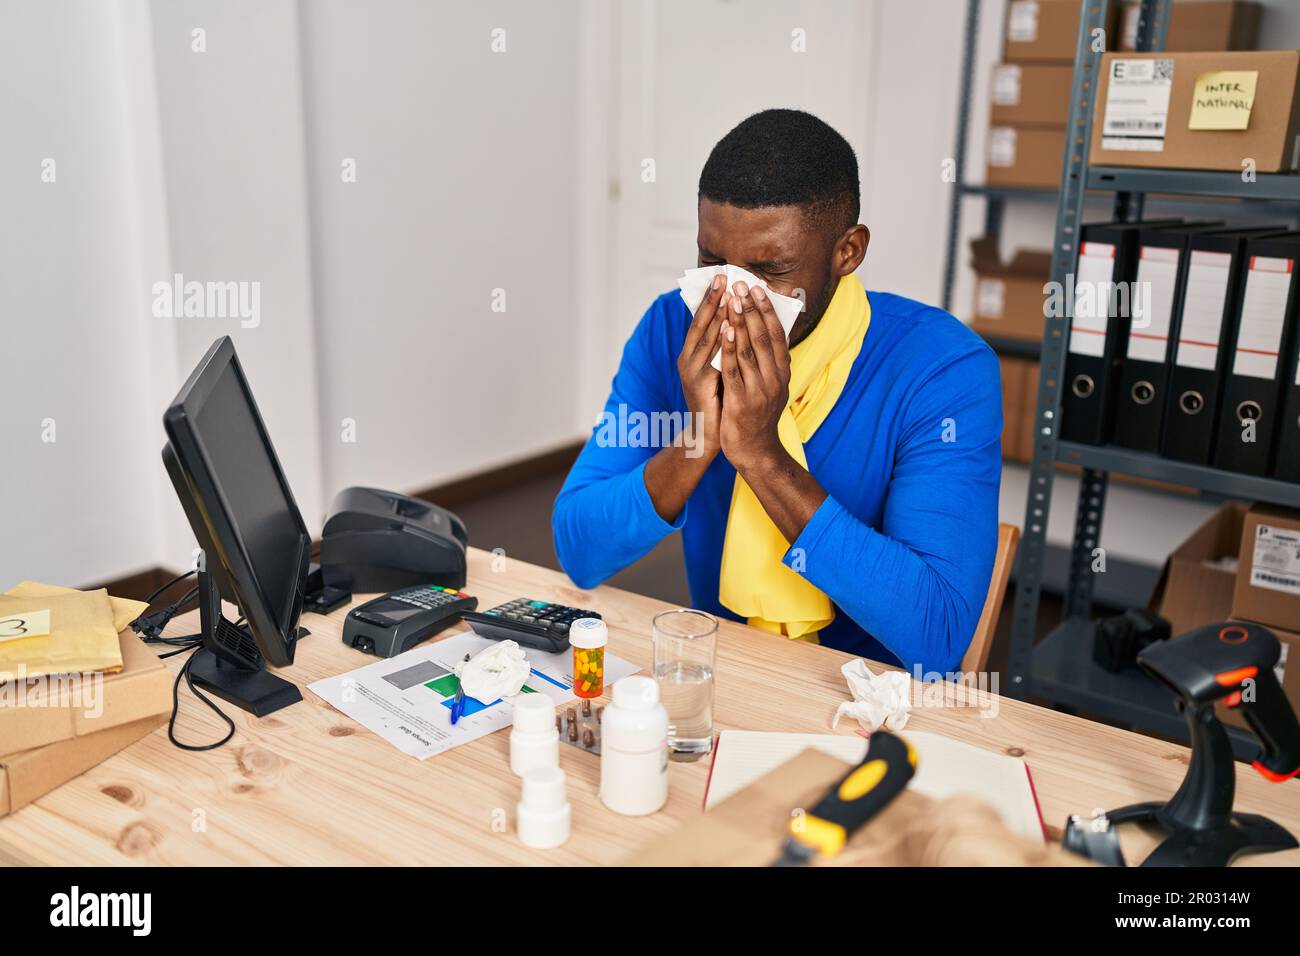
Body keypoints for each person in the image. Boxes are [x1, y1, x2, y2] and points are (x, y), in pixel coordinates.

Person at [553, 109, 1001, 674]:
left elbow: (936, 636)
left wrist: (763, 456)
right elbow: (579, 550)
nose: (735, 295)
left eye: (771, 269)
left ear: (848, 252)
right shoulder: (671, 330)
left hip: (876, 702)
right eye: (712, 261)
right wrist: (698, 440)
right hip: (724, 673)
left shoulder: (941, 368)